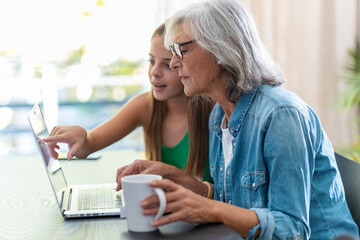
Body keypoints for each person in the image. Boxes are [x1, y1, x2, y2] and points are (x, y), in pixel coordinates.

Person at [115, 0, 359, 239]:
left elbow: (292, 231)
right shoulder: (219, 117)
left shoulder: (281, 115)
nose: (175, 62)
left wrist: (209, 209)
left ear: (221, 49)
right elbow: (230, 203)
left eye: (183, 50)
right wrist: (173, 176)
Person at [43, 23, 213, 182]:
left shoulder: (212, 111)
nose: (154, 72)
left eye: (167, 65)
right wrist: (81, 138)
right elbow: (88, 145)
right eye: (152, 61)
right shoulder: (145, 106)